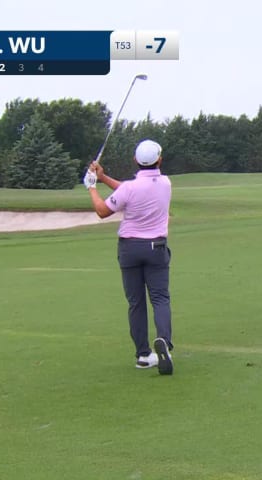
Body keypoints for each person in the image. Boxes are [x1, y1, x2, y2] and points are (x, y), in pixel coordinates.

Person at [84, 139, 174, 375]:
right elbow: (127, 190)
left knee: (136, 303)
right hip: (156, 248)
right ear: (160, 160)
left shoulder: (130, 189)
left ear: (135, 160)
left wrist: (92, 187)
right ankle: (164, 341)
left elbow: (103, 211)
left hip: (130, 249)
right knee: (160, 299)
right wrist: (103, 179)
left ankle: (143, 355)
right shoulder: (165, 183)